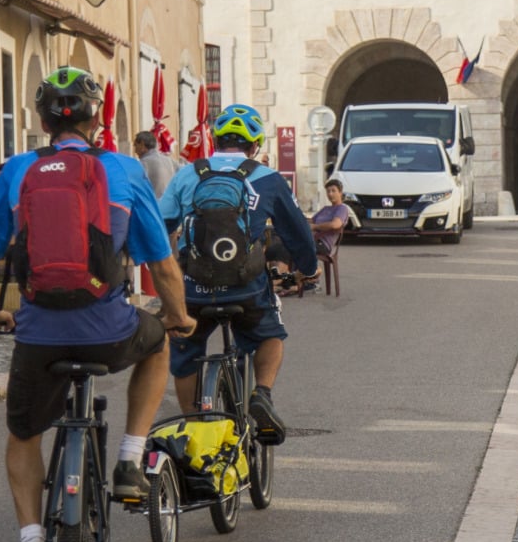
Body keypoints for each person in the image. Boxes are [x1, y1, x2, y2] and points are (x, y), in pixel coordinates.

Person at [0, 67, 196, 542]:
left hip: (38, 336)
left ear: (43, 121)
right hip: (109, 331)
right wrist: (178, 317)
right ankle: (130, 460)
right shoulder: (124, 169)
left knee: (24, 435)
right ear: (97, 120)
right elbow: (162, 266)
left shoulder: (18, 170)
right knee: (157, 343)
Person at [157, 103, 317, 443]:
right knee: (270, 335)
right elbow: (297, 233)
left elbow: (160, 225)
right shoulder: (268, 178)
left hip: (193, 288)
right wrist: (308, 268)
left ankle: (194, 431)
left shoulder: (187, 174)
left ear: (216, 140)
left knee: (185, 351)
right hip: (247, 288)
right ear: (255, 145)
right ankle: (262, 394)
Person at [312, 180, 356, 255]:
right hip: (312, 240)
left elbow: (335, 225)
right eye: (328, 191)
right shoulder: (325, 209)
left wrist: (315, 227)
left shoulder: (342, 208)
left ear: (340, 192)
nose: (330, 194)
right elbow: (311, 221)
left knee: (295, 247)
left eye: (333, 191)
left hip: (323, 244)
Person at [133, 128, 179, 198]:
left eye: (136, 145)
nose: (135, 151)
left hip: (154, 203)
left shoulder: (143, 163)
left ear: (142, 144)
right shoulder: (170, 160)